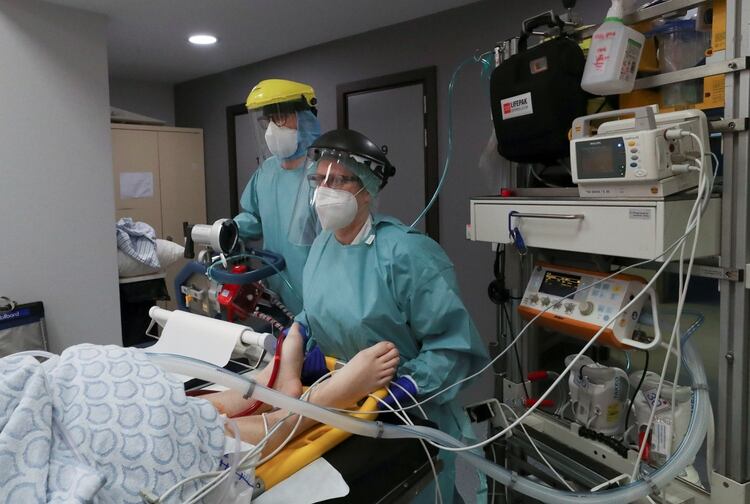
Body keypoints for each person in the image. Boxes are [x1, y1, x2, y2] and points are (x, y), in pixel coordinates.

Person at [287, 128, 490, 503]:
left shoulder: (407, 254)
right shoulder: (321, 247)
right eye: (318, 179)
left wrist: (405, 388)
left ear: (366, 188)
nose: (323, 191)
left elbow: (453, 347)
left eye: (338, 180)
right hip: (344, 412)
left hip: (410, 419)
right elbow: (320, 307)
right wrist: (299, 335)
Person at [234, 79, 321, 315]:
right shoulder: (266, 171)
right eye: (269, 120)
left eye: (281, 118)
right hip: (274, 290)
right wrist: (229, 229)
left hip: (317, 298)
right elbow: (253, 219)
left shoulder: (324, 175)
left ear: (304, 118)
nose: (273, 128)